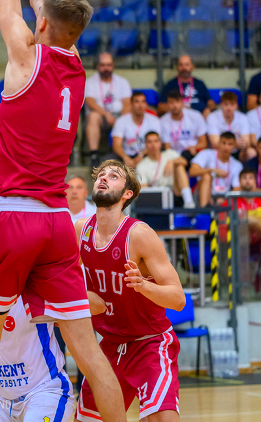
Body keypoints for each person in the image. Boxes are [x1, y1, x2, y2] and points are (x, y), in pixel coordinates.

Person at [0, 0, 126, 422]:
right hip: (58, 220)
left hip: (13, 216)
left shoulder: (24, 56)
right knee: (89, 354)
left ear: (39, 26)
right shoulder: (75, 64)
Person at [75, 160, 184, 422]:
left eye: (113, 176)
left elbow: (178, 299)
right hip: (109, 345)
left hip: (149, 343)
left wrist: (144, 285)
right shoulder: (80, 230)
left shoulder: (140, 234)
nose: (103, 178)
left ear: (127, 193)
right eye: (101, 175)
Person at [0, 297, 74, 422]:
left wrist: (63, 308)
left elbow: (94, 305)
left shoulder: (34, 292)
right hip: (2, 397)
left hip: (45, 390)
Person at [84, 52, 132, 166]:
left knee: (129, 116)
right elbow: (90, 102)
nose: (106, 68)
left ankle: (126, 154)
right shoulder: (90, 82)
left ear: (113, 66)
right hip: (101, 115)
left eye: (109, 65)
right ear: (97, 66)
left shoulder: (122, 82)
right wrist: (106, 115)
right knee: (93, 116)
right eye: (102, 65)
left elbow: (127, 104)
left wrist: (121, 121)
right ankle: (94, 156)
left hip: (119, 115)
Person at [236, 169, 261, 300]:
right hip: (240, 243)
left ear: (255, 182)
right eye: (244, 178)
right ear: (239, 182)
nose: (247, 180)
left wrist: (259, 227)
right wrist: (256, 224)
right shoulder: (233, 201)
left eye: (250, 178)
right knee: (248, 220)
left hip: (260, 242)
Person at [137, 131, 192, 206]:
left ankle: (189, 201)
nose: (153, 145)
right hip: (157, 197)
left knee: (179, 166)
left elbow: (184, 161)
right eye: (150, 142)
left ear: (160, 143)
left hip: (175, 192)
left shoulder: (169, 154)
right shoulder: (141, 165)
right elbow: (144, 190)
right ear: (145, 144)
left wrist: (172, 161)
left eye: (156, 141)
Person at [190, 132, 242, 206]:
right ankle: (204, 210)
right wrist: (212, 170)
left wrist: (225, 200)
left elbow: (237, 188)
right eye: (224, 143)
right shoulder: (206, 153)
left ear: (234, 146)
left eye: (230, 144)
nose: (226, 147)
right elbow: (192, 171)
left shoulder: (237, 165)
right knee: (207, 176)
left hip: (224, 198)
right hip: (201, 194)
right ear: (219, 143)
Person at [111, 92, 161, 168]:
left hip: (147, 153)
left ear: (146, 104)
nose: (140, 105)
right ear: (131, 104)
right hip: (126, 154)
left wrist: (141, 154)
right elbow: (116, 145)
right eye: (137, 102)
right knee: (109, 159)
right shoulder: (121, 121)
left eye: (143, 102)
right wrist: (125, 158)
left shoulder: (154, 120)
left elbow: (156, 143)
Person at [161, 89, 207, 164]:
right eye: (171, 102)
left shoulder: (196, 116)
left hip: (191, 152)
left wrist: (195, 147)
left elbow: (203, 143)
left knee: (187, 155)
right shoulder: (163, 121)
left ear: (182, 103)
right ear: (167, 104)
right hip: (173, 155)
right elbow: (167, 148)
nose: (174, 106)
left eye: (177, 102)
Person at [207, 91, 252, 161]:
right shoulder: (212, 117)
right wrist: (235, 144)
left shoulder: (243, 117)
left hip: (237, 150)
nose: (229, 108)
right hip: (219, 151)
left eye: (232, 104)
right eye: (226, 104)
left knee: (251, 152)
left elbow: (247, 142)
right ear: (221, 105)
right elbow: (215, 143)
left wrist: (241, 145)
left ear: (236, 106)